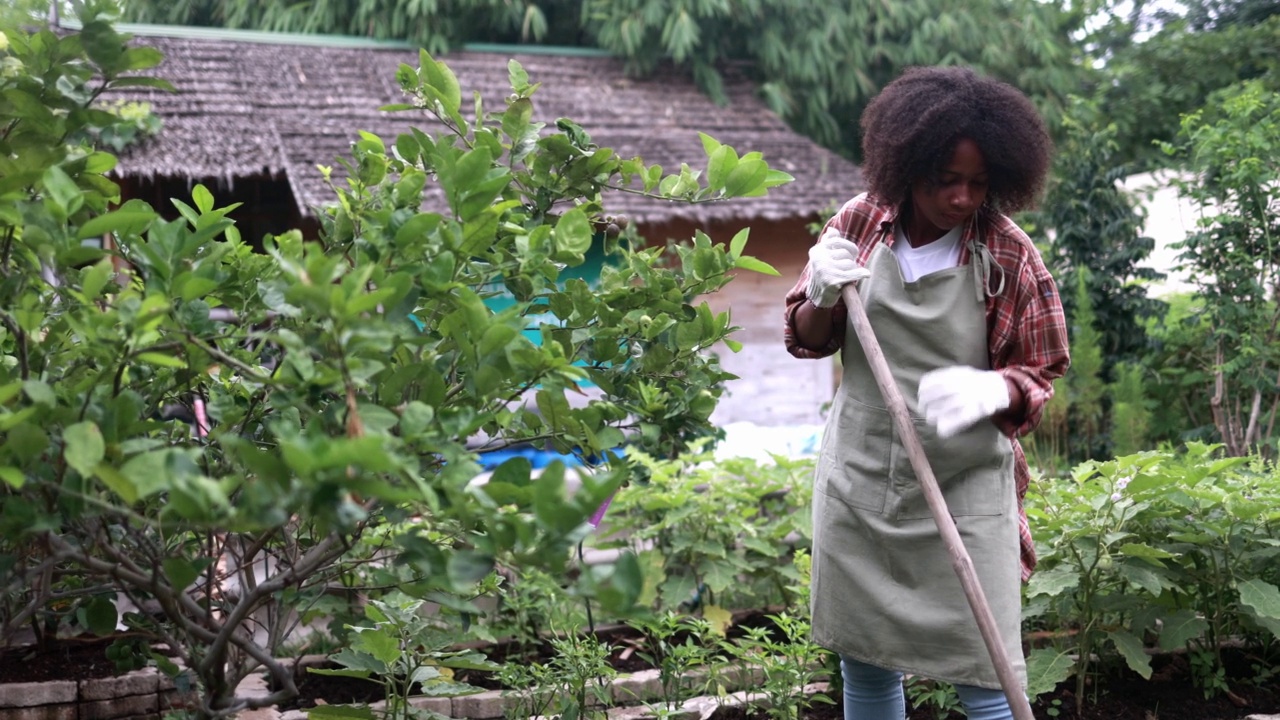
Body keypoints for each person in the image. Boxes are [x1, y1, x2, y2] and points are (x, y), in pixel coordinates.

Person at [784, 66, 1070, 720]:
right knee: (867, 662)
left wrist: (995, 391)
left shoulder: (1007, 253)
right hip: (860, 480)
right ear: (907, 166)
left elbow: (1042, 371)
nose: (965, 197)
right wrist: (820, 293)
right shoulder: (857, 225)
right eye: (948, 180)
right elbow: (807, 338)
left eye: (979, 182)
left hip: (962, 488)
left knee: (988, 672)